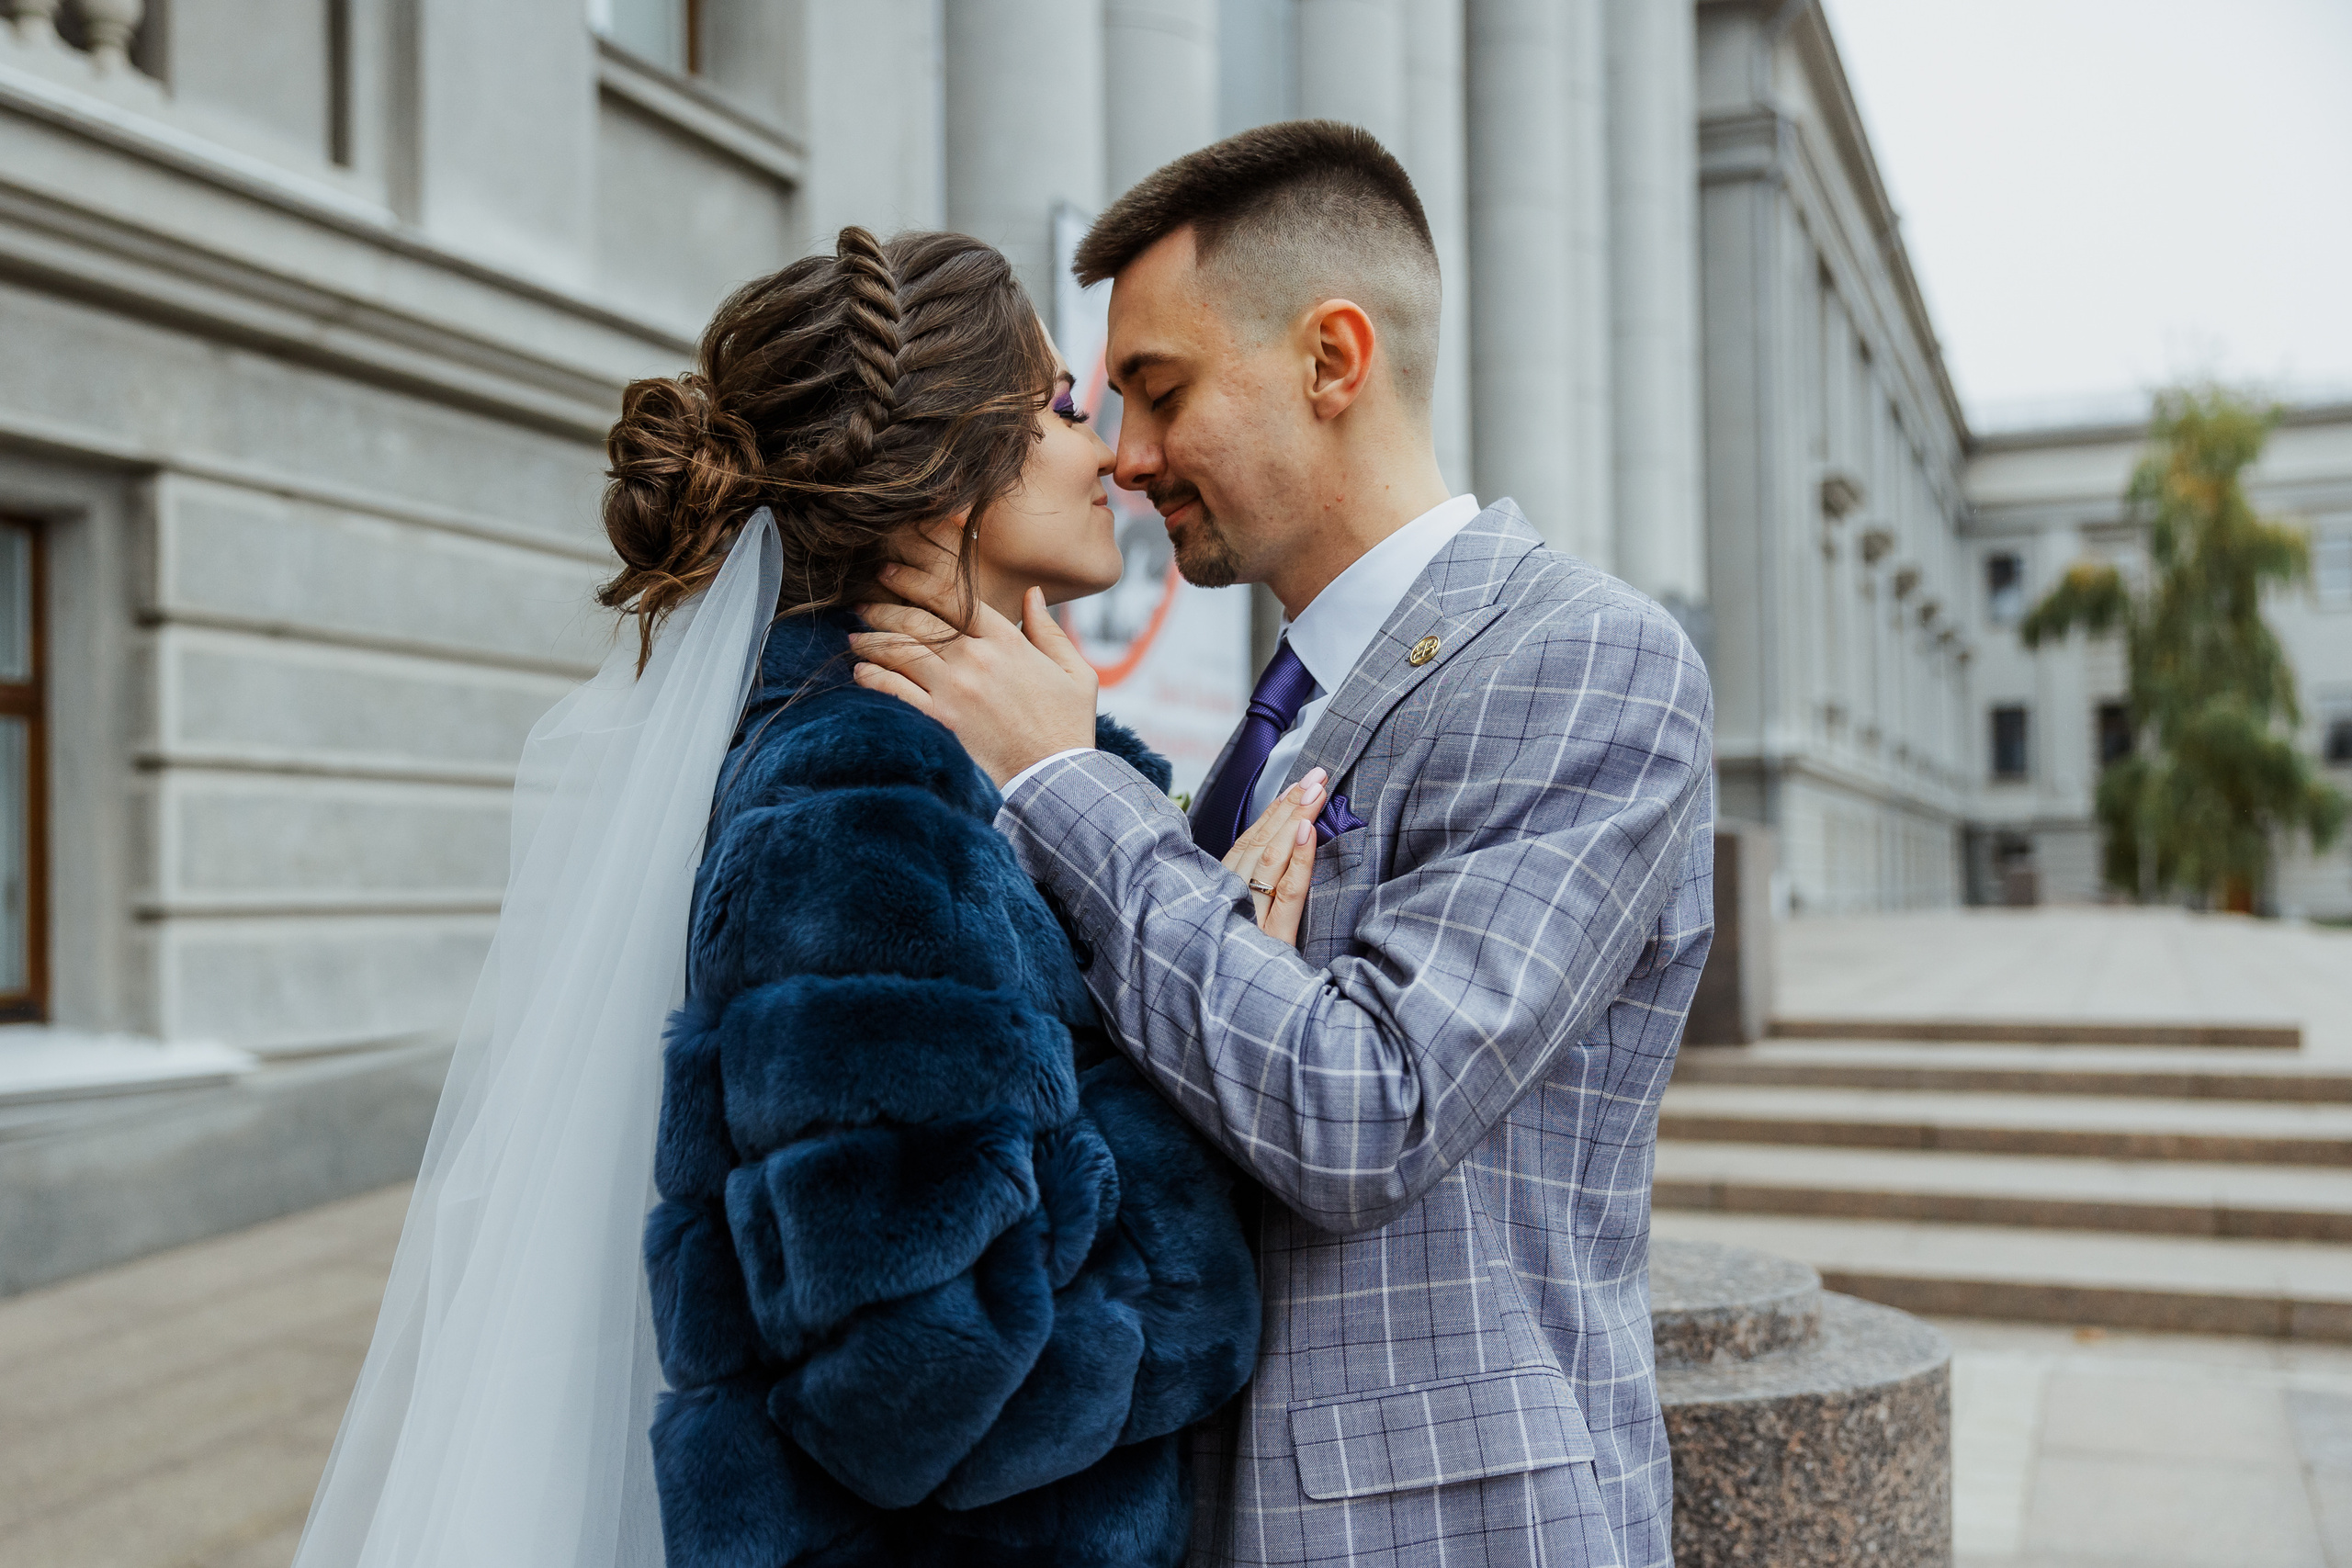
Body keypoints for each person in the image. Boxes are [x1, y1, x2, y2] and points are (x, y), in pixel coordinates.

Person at [292, 228, 1305, 1568]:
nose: (1109, 452)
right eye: (1062, 406)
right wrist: (1212, 1152)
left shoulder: (947, 772)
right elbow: (908, 1382)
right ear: (952, 470)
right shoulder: (864, 796)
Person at [851, 122, 1716, 1568]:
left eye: (1160, 391)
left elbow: (1363, 1109)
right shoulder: (1289, 707)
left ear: (1331, 361)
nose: (1126, 460)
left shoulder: (1587, 661)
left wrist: (1062, 777)